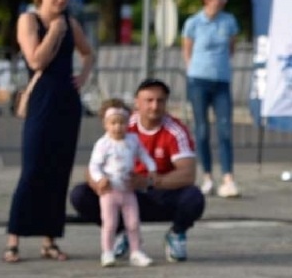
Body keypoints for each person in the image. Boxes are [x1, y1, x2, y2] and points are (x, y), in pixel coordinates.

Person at [5, 0, 93, 263]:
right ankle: (14, 238)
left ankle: (50, 239)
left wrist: (83, 78)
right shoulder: (29, 20)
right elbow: (35, 59)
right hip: (41, 99)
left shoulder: (72, 22)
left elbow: (88, 53)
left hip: (66, 102)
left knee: (59, 171)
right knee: (33, 169)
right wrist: (54, 31)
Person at [68, 78, 206, 262]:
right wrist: (99, 183)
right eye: (149, 100)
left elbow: (188, 174)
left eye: (160, 101)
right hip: (120, 191)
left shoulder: (176, 130)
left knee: (194, 197)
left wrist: (150, 181)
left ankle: (177, 233)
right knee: (80, 194)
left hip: (158, 194)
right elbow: (93, 167)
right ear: (137, 103)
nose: (155, 106)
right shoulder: (121, 122)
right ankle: (119, 232)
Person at [181, 0, 241, 199]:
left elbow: (231, 47)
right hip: (199, 79)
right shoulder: (194, 22)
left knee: (225, 129)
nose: (223, 1)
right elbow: (187, 50)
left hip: (221, 80)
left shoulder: (229, 21)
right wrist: (193, 69)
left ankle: (228, 177)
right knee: (202, 130)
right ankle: (207, 175)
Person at [86, 99, 157, 267]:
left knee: (133, 222)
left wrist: (151, 168)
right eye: (113, 123)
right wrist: (99, 179)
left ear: (128, 123)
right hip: (109, 191)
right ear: (106, 124)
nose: (118, 127)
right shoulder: (103, 144)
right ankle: (107, 252)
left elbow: (144, 154)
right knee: (110, 224)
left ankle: (136, 251)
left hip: (128, 190)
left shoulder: (133, 140)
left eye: (122, 123)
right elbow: (94, 165)